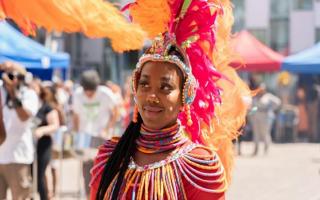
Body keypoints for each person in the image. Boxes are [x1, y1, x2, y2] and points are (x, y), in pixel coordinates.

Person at [90, 0, 250, 199]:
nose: (151, 96)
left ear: (185, 95)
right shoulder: (109, 156)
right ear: (135, 89)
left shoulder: (200, 166)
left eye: (165, 87)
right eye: (144, 85)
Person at [72, 70, 117, 199]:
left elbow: (115, 111)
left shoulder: (105, 94)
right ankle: (88, 196)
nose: (89, 94)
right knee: (87, 170)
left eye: (91, 91)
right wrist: (76, 134)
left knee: (103, 168)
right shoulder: (78, 95)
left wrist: (108, 128)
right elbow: (76, 116)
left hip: (102, 136)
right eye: (87, 91)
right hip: (85, 136)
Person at [0, 61, 39, 199]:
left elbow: (24, 117)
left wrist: (12, 93)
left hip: (18, 156)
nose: (6, 78)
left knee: (20, 197)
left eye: (10, 74)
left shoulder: (29, 94)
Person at [33, 82, 60, 200]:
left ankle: (46, 196)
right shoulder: (26, 105)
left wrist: (42, 130)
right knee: (32, 175)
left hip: (43, 143)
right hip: (29, 145)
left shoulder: (47, 106)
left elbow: (55, 125)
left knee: (41, 173)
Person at [249, 84, 281, 155]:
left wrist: (271, 109)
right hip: (257, 116)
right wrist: (251, 113)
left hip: (265, 116)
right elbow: (253, 107)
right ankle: (256, 149)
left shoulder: (268, 96)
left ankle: (266, 148)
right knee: (256, 133)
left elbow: (278, 102)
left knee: (265, 133)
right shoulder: (255, 97)